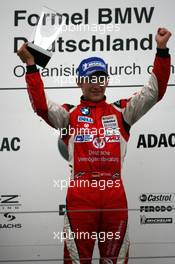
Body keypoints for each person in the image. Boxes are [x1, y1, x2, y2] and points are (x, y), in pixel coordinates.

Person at [17, 27, 171, 263]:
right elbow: (40, 106)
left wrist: (161, 50)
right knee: (78, 260)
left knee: (115, 260)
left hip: (114, 199)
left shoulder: (122, 112)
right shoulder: (69, 116)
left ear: (107, 80)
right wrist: (31, 66)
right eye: (90, 78)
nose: (96, 84)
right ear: (80, 81)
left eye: (100, 78)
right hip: (81, 200)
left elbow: (154, 92)